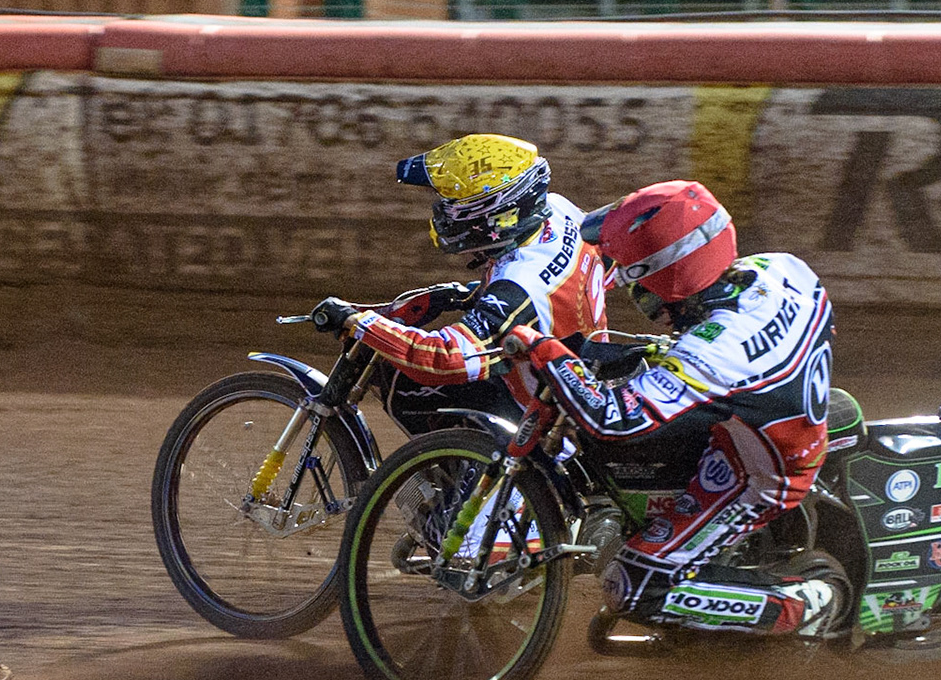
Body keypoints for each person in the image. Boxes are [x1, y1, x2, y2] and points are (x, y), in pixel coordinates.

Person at [503, 179, 847, 638]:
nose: (638, 294)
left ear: (670, 277)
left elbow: (612, 419)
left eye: (640, 284)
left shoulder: (716, 351)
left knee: (630, 587)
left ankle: (806, 607)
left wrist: (546, 351)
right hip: (768, 414)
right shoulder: (783, 269)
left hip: (759, 475)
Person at [308, 132, 607, 428]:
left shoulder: (519, 284)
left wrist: (360, 323)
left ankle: (458, 459)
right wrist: (469, 296)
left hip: (544, 422)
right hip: (578, 384)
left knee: (400, 382)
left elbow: (445, 358)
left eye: (454, 203)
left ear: (494, 212)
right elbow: (571, 280)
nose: (443, 211)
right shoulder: (558, 211)